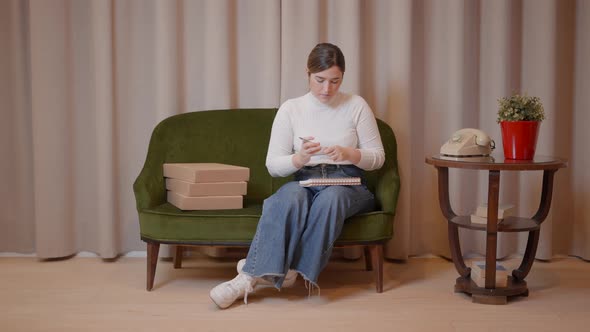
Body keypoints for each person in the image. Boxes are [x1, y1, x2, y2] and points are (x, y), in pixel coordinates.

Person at [209, 43, 385, 309]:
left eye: (335, 81)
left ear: (343, 77)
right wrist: (300, 158)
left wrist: (350, 153)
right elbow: (273, 165)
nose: (327, 89)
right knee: (287, 198)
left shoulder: (356, 105)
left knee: (331, 199)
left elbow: (378, 157)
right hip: (306, 179)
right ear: (308, 72)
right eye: (320, 80)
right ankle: (248, 278)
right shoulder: (291, 109)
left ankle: (276, 269)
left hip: (349, 183)